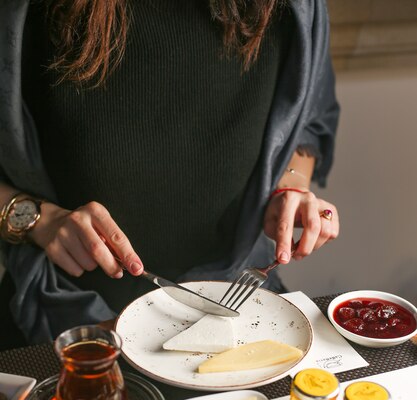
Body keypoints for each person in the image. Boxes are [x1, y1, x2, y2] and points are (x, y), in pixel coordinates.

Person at [0, 0, 340, 350]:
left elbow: (305, 126)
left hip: (236, 314)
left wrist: (289, 188)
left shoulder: (296, 8)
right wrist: (34, 218)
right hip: (62, 324)